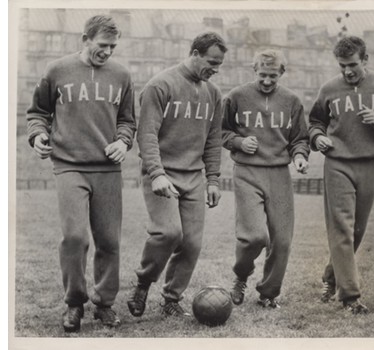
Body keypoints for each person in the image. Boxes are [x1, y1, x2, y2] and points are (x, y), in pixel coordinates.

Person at [26, 15, 136, 332]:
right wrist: (38, 136)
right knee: (74, 237)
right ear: (85, 38)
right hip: (69, 164)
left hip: (107, 169)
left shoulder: (122, 74)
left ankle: (104, 305)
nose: (108, 52)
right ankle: (75, 304)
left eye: (113, 47)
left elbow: (128, 120)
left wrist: (123, 141)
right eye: (103, 45)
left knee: (109, 240)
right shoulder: (57, 70)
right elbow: (37, 113)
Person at [127, 32, 227, 318]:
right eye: (211, 62)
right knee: (169, 232)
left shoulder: (214, 94)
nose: (215, 69)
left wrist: (213, 180)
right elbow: (146, 135)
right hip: (162, 173)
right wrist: (157, 173)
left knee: (192, 243)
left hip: (194, 176)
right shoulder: (160, 85)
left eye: (219, 64)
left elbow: (213, 141)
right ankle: (143, 283)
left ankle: (171, 298)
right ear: (194, 53)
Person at [308, 36, 374, 314]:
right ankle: (350, 296)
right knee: (341, 227)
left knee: (356, 231)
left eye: (352, 64)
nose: (348, 71)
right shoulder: (329, 88)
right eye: (342, 66)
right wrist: (318, 138)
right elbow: (315, 121)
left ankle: (331, 278)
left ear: (365, 60)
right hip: (337, 163)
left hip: (370, 163)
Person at [222, 49, 310, 308]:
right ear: (254, 71)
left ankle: (268, 293)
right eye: (262, 75)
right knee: (254, 237)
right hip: (247, 171)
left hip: (279, 174)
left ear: (282, 73)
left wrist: (300, 156)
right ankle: (240, 277)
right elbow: (219, 132)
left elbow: (300, 139)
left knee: (282, 240)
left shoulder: (292, 101)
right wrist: (238, 141)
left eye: (273, 75)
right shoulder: (236, 96)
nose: (267, 81)